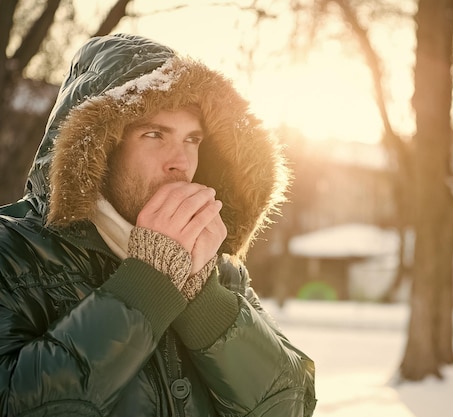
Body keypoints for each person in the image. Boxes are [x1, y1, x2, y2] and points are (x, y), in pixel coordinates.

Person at [0, 33, 316, 417]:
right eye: (154, 134)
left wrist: (203, 297)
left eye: (192, 139)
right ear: (101, 149)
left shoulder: (217, 269)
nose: (180, 162)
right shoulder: (10, 252)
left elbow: (290, 405)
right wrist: (150, 281)